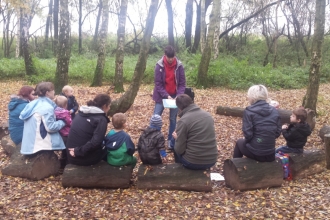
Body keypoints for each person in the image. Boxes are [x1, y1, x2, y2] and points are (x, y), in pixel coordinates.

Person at [233, 85, 282, 162]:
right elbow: (278, 132)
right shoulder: (274, 111)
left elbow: (248, 135)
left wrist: (250, 142)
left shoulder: (249, 111)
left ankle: (235, 166)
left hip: (257, 153)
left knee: (239, 142)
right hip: (270, 153)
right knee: (248, 143)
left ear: (252, 97)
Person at [152, 45, 186, 149]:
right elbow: (158, 84)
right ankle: (153, 140)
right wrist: (166, 96)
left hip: (175, 96)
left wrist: (178, 96)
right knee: (156, 117)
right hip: (161, 96)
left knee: (173, 119)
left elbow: (182, 83)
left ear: (174, 56)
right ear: (165, 55)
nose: (171, 60)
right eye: (168, 57)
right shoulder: (159, 65)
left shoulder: (179, 66)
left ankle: (171, 142)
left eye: (172, 57)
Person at [172, 94, 218, 170]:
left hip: (193, 162)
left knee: (175, 141)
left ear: (179, 108)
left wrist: (177, 138)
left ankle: (180, 170)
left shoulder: (184, 121)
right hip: (212, 160)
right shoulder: (208, 115)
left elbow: (179, 149)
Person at [19, 82, 66, 155]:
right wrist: (63, 121)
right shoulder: (46, 107)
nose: (54, 92)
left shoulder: (33, 103)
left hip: (28, 145)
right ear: (47, 93)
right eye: (53, 90)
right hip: (39, 146)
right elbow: (50, 127)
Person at [66, 94, 111, 166]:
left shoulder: (81, 113)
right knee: (110, 148)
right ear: (105, 106)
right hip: (82, 158)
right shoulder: (101, 119)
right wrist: (78, 151)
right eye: (109, 106)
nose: (109, 108)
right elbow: (96, 142)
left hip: (70, 155)